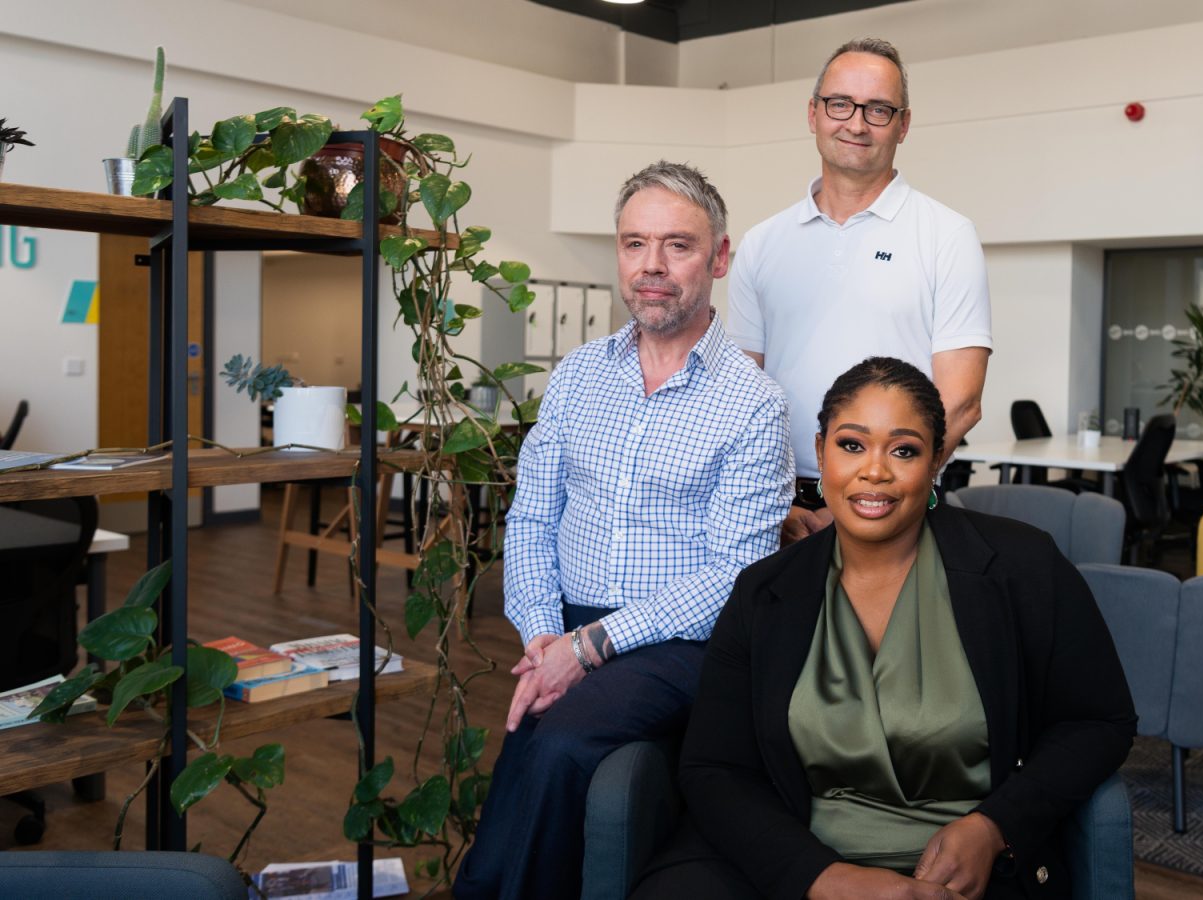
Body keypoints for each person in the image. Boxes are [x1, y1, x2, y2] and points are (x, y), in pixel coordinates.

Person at [633, 358, 1136, 900]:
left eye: (904, 450)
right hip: (799, 863)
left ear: (936, 460)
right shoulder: (763, 590)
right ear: (821, 448)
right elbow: (715, 767)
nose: (874, 471)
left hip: (964, 876)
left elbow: (1098, 720)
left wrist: (994, 828)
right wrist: (825, 878)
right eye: (852, 445)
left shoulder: (1021, 565)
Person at [454, 161, 795, 900]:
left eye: (677, 245)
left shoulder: (753, 404)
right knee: (530, 734)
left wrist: (589, 647)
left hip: (683, 642)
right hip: (570, 622)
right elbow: (535, 514)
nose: (652, 267)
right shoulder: (577, 376)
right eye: (634, 244)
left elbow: (733, 577)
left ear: (720, 258)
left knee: (565, 740)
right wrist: (545, 634)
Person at [727, 37, 993, 544]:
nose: (855, 123)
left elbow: (961, 401)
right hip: (778, 511)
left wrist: (866, 496)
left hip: (892, 506)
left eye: (878, 109)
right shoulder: (762, 243)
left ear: (903, 125)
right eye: (840, 104)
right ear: (813, 113)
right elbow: (741, 393)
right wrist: (771, 500)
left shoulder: (946, 235)